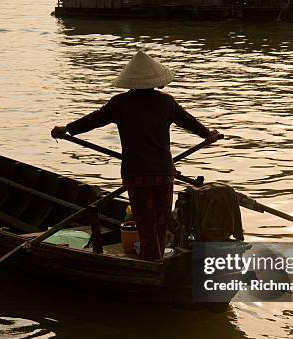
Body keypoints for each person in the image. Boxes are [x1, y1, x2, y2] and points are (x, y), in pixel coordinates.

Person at [51, 50, 219, 261]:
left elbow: (94, 120)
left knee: (145, 225)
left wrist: (67, 128)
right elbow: (189, 121)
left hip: (137, 173)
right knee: (160, 222)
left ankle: (152, 264)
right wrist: (207, 134)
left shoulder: (120, 103)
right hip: (163, 172)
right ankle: (158, 263)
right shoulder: (167, 102)